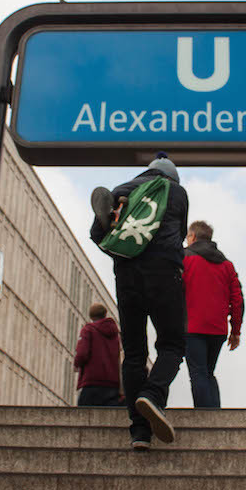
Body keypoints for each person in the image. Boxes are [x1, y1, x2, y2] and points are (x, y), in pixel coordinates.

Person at [90, 153, 188, 450]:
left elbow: (97, 233)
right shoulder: (177, 193)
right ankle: (153, 394)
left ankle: (139, 432)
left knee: (133, 354)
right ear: (172, 177)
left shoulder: (121, 189)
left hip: (127, 276)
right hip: (164, 274)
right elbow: (179, 234)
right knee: (172, 345)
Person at [182, 220, 244, 408]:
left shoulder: (184, 258)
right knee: (208, 372)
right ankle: (215, 414)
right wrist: (236, 331)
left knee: (198, 373)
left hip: (192, 326)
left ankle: (205, 419)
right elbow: (238, 300)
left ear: (192, 237)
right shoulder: (227, 265)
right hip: (218, 329)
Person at [74, 303, 123, 407]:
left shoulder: (88, 330)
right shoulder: (115, 334)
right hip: (112, 384)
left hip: (92, 382)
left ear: (91, 316)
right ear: (105, 314)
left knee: (82, 416)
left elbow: (82, 353)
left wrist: (77, 364)